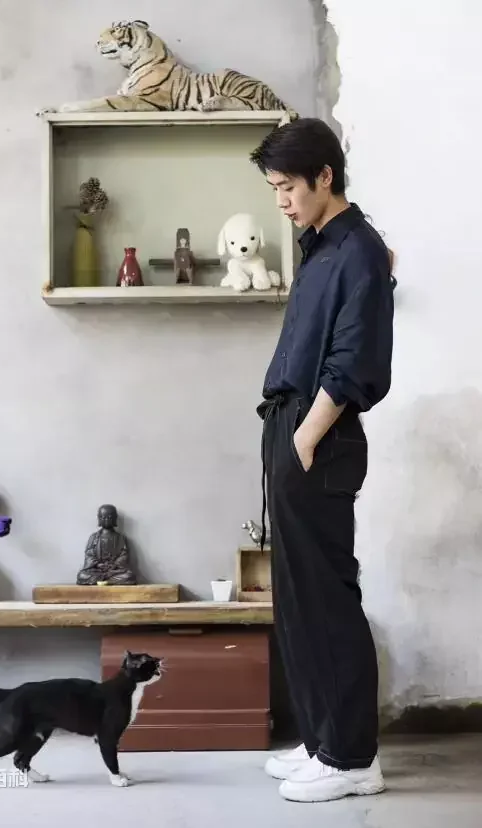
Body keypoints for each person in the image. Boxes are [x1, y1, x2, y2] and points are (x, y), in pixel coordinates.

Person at [249, 118, 395, 803]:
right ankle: (322, 741)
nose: (281, 200)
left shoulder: (358, 249)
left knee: (328, 598)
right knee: (298, 599)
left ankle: (352, 758)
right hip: (294, 428)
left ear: (325, 176)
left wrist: (305, 438)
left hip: (321, 437)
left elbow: (355, 359)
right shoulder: (324, 246)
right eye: (274, 188)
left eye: (288, 186)